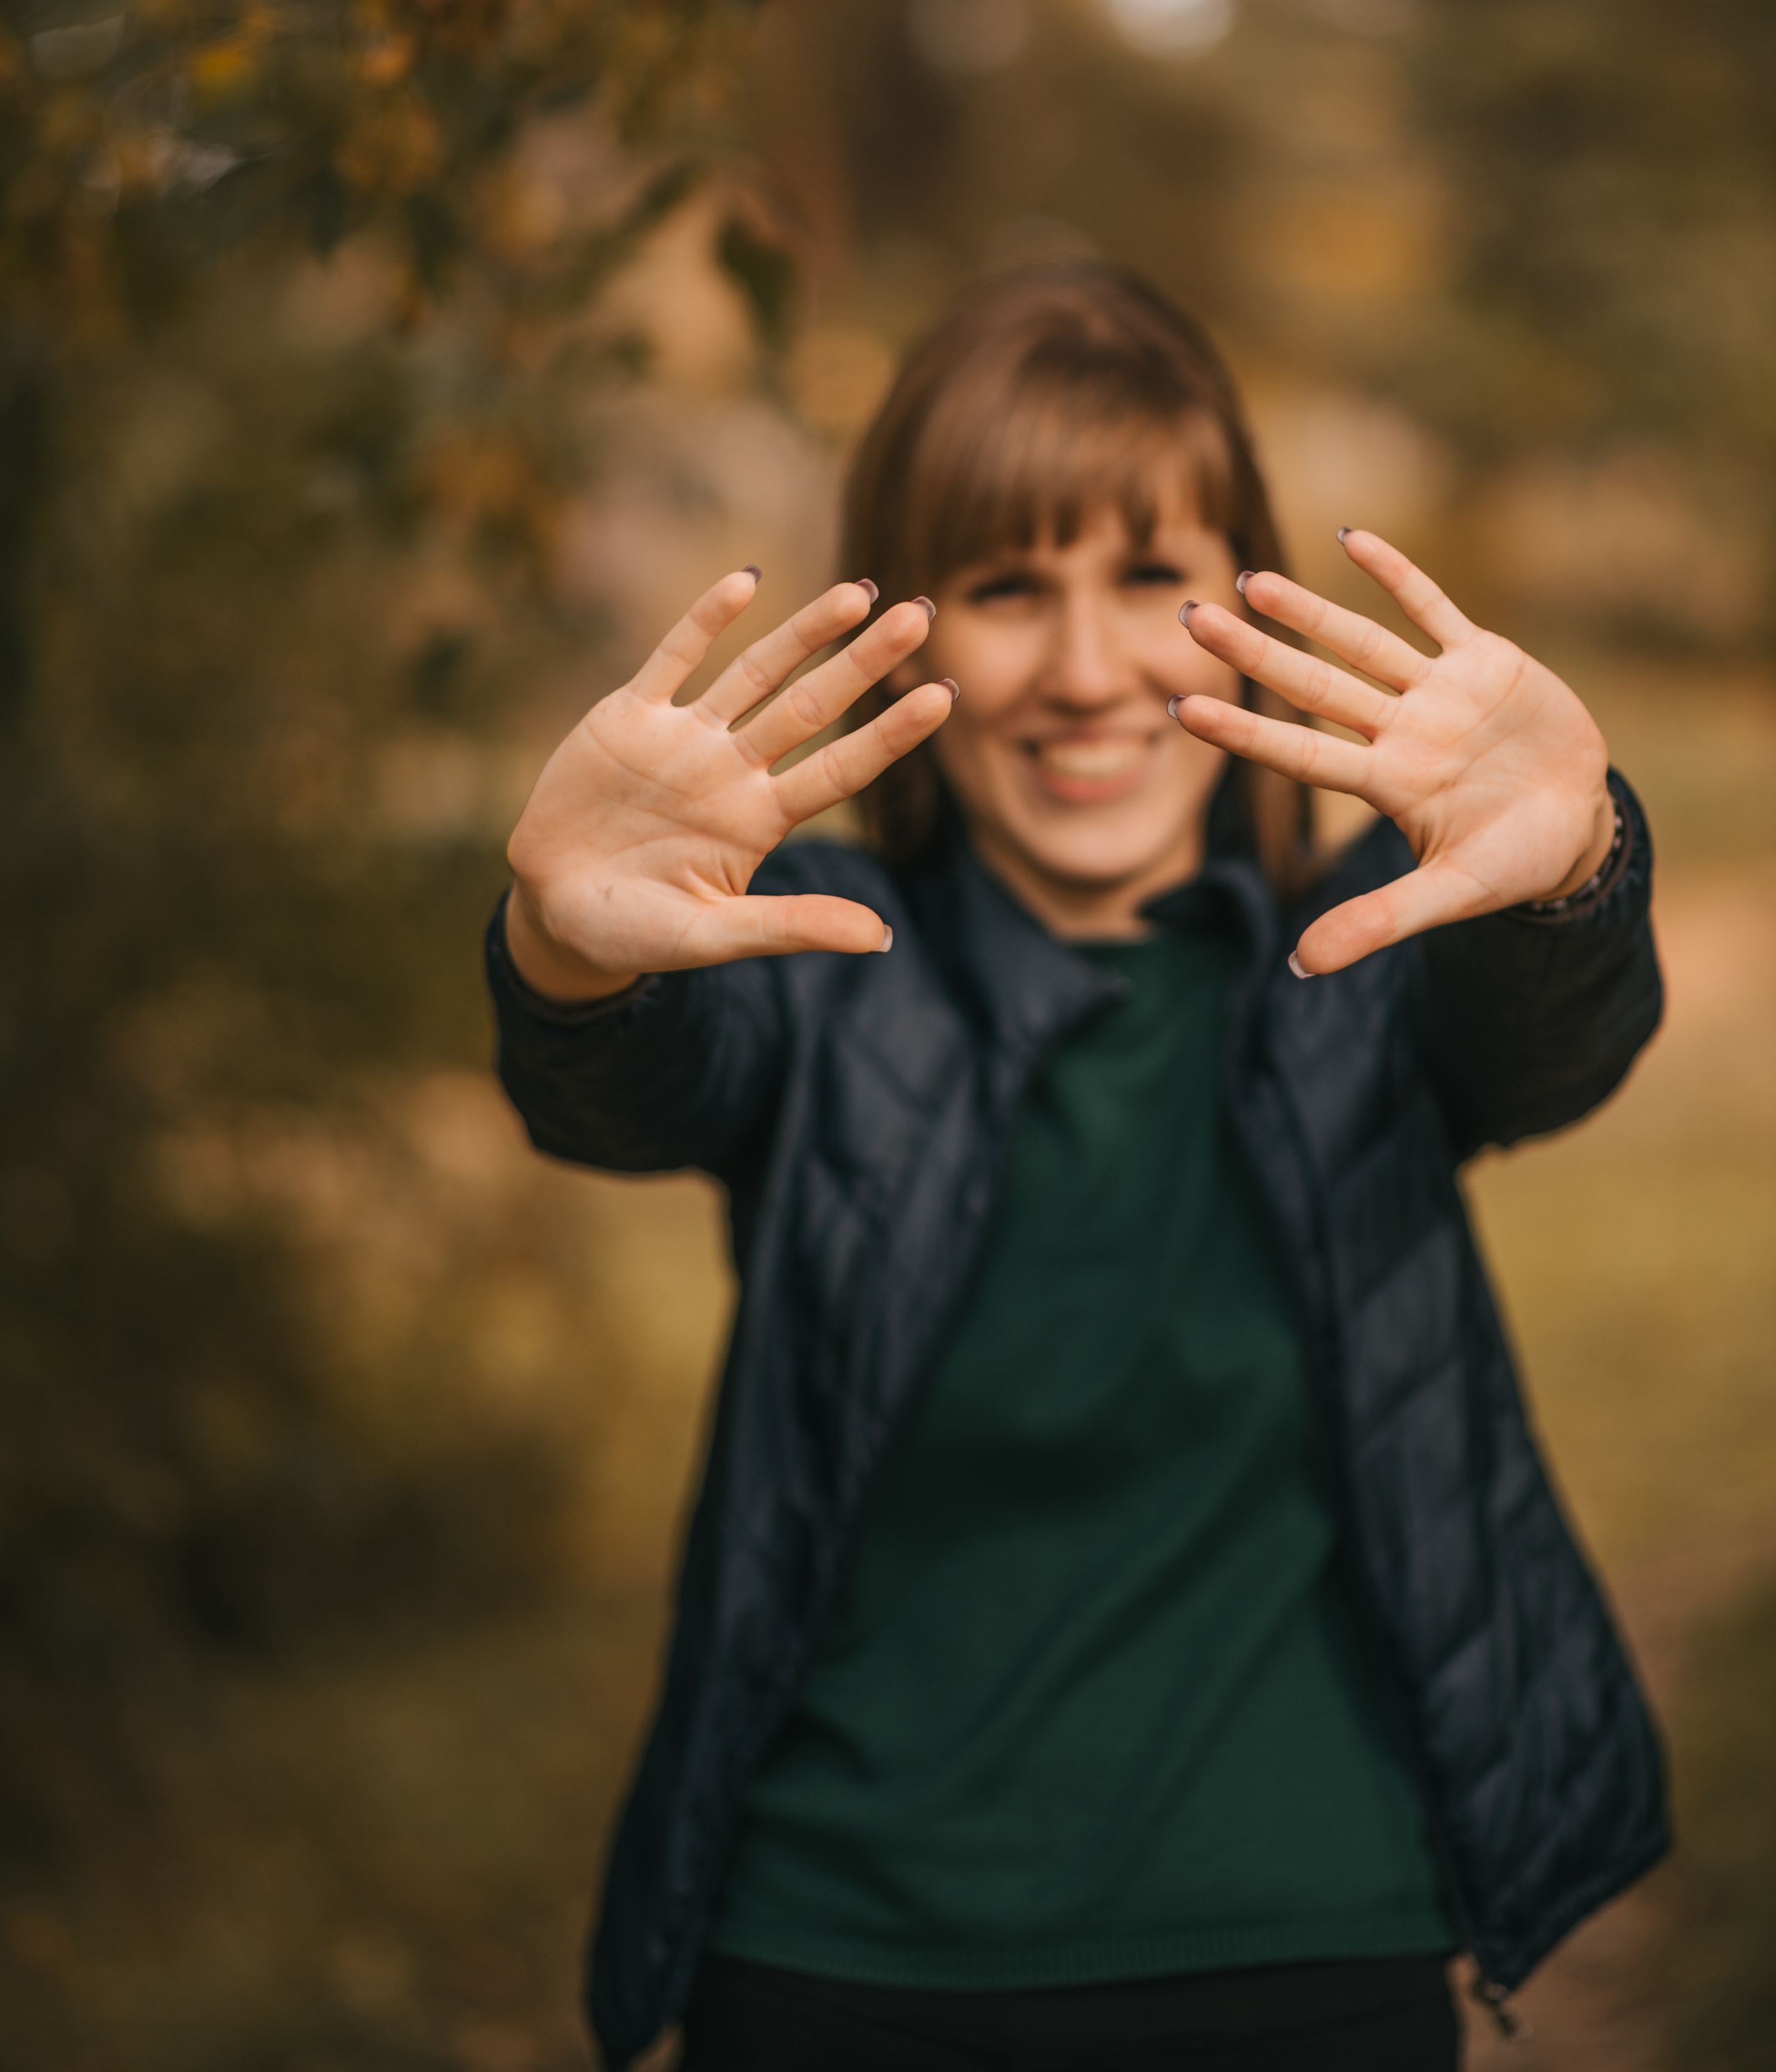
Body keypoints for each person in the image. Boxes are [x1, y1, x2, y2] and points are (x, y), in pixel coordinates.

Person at [487, 268, 1666, 2072]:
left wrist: (1577, 857)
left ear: (1240, 604)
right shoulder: (824, 952)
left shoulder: (1370, 950)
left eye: (1149, 577)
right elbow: (622, 1091)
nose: (1089, 666)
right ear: (910, 625)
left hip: (1314, 1956)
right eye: (1011, 586)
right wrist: (569, 951)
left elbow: (1558, 1035)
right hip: (835, 1973)